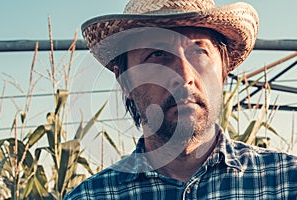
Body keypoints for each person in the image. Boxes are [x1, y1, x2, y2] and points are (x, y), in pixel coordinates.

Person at [65, 0, 297, 199]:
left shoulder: (286, 182)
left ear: (223, 73)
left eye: (199, 51)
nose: (185, 76)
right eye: (157, 54)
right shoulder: (92, 195)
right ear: (125, 82)